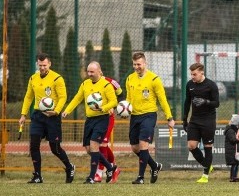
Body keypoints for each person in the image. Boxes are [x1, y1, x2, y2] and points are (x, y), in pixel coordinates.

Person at [18, 53, 75, 184]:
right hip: (38, 115)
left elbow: (63, 97)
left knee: (54, 148)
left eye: (44, 65)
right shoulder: (33, 78)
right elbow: (28, 97)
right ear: (37, 64)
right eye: (40, 65)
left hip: (52, 117)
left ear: (49, 64)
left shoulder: (57, 79)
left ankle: (69, 167)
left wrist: (56, 111)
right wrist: (23, 114)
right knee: (34, 145)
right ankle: (37, 175)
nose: (42, 67)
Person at [61, 61, 120, 184]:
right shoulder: (85, 84)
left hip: (102, 119)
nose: (90, 74)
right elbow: (77, 98)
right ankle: (110, 167)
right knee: (89, 149)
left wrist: (102, 108)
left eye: (92, 72)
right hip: (89, 120)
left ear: (99, 71)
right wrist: (67, 110)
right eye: (88, 71)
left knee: (94, 146)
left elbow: (114, 101)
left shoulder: (106, 85)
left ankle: (92, 177)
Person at [124, 51, 175, 184]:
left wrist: (169, 117)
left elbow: (162, 100)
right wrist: (125, 111)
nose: (136, 67)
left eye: (139, 64)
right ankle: (154, 166)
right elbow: (128, 99)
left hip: (149, 115)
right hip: (135, 116)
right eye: (134, 64)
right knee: (135, 148)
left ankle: (140, 177)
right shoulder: (130, 79)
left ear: (145, 63)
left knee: (143, 145)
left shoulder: (154, 79)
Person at [183, 62, 220, 183]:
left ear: (201, 73)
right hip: (194, 120)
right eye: (191, 74)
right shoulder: (190, 85)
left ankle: (205, 175)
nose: (192, 77)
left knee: (207, 147)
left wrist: (205, 102)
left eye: (194, 74)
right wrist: (184, 119)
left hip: (208, 120)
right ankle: (207, 165)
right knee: (191, 146)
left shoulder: (211, 85)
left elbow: (217, 103)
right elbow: (187, 102)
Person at [93, 69, 123, 183]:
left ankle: (99, 173)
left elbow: (121, 95)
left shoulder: (111, 82)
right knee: (99, 145)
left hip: (108, 118)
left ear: (100, 72)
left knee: (103, 143)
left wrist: (114, 108)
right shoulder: (91, 84)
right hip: (95, 118)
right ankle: (113, 167)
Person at [224, 114, 239, 182]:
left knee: (236, 164)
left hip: (235, 151)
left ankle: (235, 176)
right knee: (234, 165)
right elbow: (232, 139)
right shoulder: (230, 131)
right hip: (232, 151)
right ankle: (233, 177)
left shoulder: (234, 130)